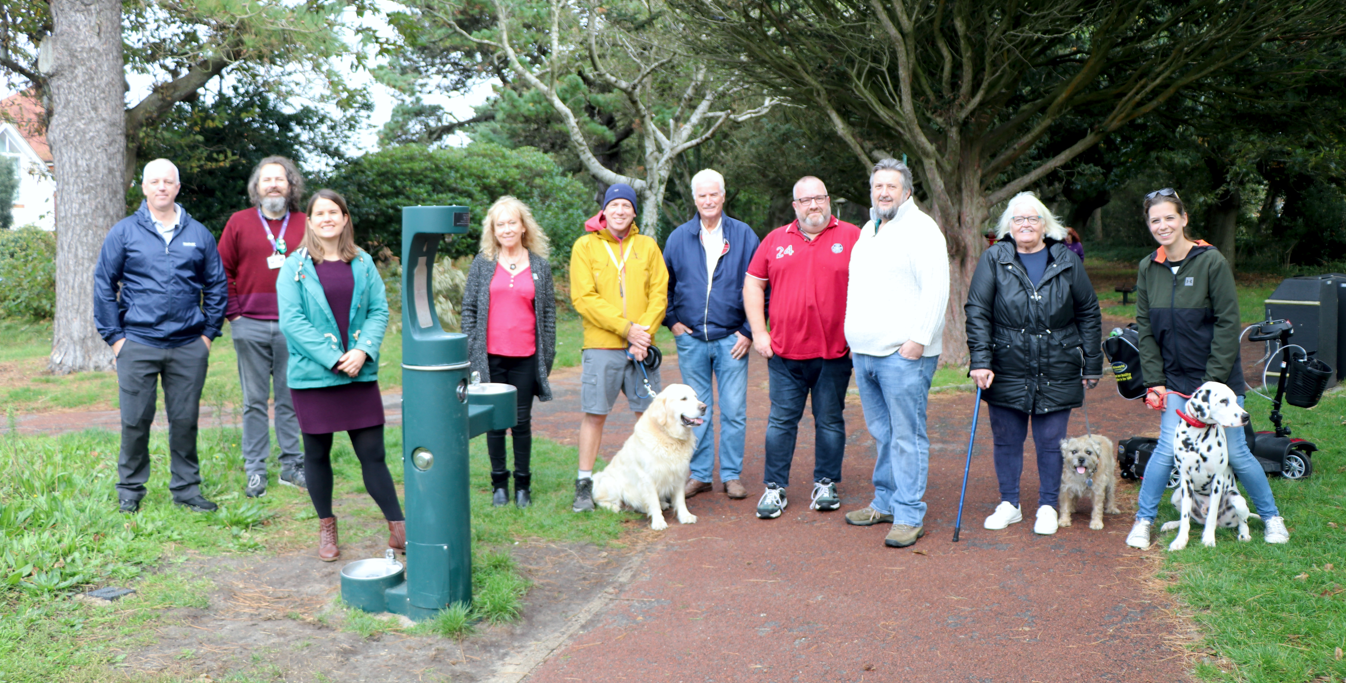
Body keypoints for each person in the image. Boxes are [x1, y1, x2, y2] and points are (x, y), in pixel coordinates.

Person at [1125, 188, 1290, 548]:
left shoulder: (1211, 261)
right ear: (1149, 225)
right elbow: (1146, 329)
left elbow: (1229, 324)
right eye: (1156, 220)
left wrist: (1212, 385)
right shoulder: (1147, 267)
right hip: (1176, 381)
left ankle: (1272, 517)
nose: (1163, 225)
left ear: (1184, 219)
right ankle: (1143, 521)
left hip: (1217, 382)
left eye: (1170, 217)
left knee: (1238, 454)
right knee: (1167, 450)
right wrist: (1155, 382)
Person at [962, 191, 1102, 538]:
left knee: (1051, 440)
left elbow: (1088, 312)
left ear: (1046, 225)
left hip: (1058, 363)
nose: (1025, 225)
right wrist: (980, 360)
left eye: (1032, 219)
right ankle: (1009, 503)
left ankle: (1046, 505)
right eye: (1018, 219)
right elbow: (977, 310)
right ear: (1009, 226)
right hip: (1006, 364)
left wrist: (1092, 363)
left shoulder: (1068, 261)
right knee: (1006, 438)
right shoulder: (994, 257)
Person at [94, 158, 227, 514]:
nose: (162, 187)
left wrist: (209, 334)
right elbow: (104, 284)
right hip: (137, 342)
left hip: (188, 345)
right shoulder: (124, 232)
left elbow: (216, 285)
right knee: (135, 420)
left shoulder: (198, 234)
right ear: (145, 188)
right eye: (155, 181)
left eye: (168, 181)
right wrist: (116, 338)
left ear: (178, 188)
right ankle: (130, 491)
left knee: (185, 420)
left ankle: (186, 490)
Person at [277, 189, 402, 561]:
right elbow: (293, 322)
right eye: (320, 213)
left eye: (334, 212)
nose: (328, 218)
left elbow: (379, 310)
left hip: (359, 374)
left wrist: (362, 351)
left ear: (345, 218)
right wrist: (334, 358)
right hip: (315, 377)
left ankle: (399, 528)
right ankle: (327, 529)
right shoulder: (294, 266)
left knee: (373, 454)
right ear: (310, 221)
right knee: (317, 454)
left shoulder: (363, 262)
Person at [841, 159, 951, 548]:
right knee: (883, 434)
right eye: (877, 186)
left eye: (891, 186)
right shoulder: (870, 230)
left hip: (903, 354)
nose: (883, 192)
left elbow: (936, 289)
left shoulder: (921, 230)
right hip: (866, 353)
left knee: (907, 436)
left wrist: (918, 340)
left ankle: (908, 514)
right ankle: (885, 502)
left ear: (907, 191)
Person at [744, 176, 861, 520]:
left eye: (820, 198)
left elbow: (875, 286)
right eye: (806, 200)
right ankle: (774, 488)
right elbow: (753, 284)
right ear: (794, 206)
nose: (814, 205)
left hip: (835, 353)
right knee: (781, 422)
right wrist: (759, 333)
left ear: (829, 201)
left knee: (829, 421)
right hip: (784, 353)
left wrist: (862, 336)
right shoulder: (775, 240)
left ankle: (826, 483)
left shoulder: (854, 237)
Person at [569, 183, 670, 513]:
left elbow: (659, 294)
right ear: (604, 210)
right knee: (595, 414)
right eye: (615, 205)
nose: (620, 211)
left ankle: (653, 483)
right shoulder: (585, 247)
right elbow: (584, 298)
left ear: (634, 211)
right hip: (602, 346)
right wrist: (627, 329)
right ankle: (584, 484)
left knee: (650, 417)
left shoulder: (648, 246)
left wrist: (642, 335)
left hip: (641, 349)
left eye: (627, 205)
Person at [664, 169, 760, 501]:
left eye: (714, 194)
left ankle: (731, 475)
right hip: (691, 341)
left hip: (732, 340)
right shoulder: (678, 237)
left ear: (723, 196)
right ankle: (701, 474)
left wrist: (748, 330)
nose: (708, 200)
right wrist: (672, 319)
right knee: (695, 412)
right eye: (702, 195)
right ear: (694, 199)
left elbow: (762, 285)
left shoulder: (745, 235)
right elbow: (664, 285)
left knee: (734, 410)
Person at [219, 156, 307, 498]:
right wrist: (235, 315)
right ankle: (255, 469)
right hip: (250, 324)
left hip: (294, 328)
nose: (273, 184)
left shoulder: (305, 223)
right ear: (256, 187)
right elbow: (221, 270)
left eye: (280, 179)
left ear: (290, 185)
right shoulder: (239, 223)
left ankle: (292, 466)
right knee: (254, 401)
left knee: (291, 399)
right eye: (266, 179)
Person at [461, 196, 557, 509]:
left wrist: (546, 358)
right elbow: (470, 308)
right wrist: (473, 350)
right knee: (495, 422)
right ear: (493, 230)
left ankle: (523, 487)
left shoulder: (539, 265)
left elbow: (548, 316)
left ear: (523, 226)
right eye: (500, 224)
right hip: (490, 357)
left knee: (520, 422)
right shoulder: (483, 263)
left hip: (527, 356)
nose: (506, 229)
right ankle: (499, 484)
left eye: (511, 222)